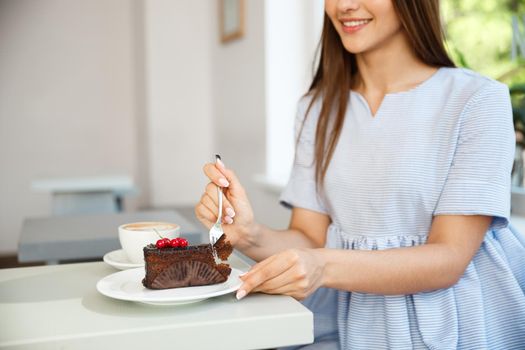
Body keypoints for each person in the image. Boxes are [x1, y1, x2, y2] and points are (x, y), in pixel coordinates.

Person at [195, 0, 525, 348]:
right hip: (350, 324)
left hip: (454, 325)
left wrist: (322, 265)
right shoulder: (316, 109)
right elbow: (308, 239)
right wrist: (248, 234)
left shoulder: (477, 100)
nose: (345, 5)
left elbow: (449, 258)